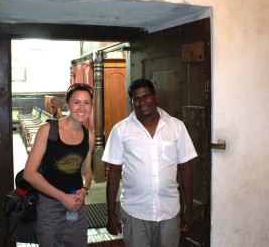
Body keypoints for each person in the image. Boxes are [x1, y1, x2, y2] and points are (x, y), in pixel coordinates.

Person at [102, 78, 198, 247]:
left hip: (169, 210)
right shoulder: (121, 130)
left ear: (155, 97)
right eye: (136, 99)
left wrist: (189, 209)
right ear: (132, 102)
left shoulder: (176, 127)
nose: (141, 102)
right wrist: (111, 214)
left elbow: (185, 169)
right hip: (134, 212)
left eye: (146, 96)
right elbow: (114, 173)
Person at [23, 83, 95, 247]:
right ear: (67, 104)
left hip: (76, 206)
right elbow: (30, 173)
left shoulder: (89, 136)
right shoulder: (48, 130)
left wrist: (83, 191)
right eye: (76, 102)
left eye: (86, 102)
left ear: (91, 106)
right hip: (50, 205)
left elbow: (87, 172)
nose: (81, 107)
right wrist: (63, 197)